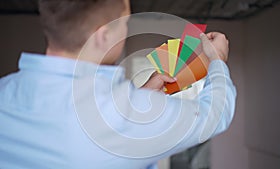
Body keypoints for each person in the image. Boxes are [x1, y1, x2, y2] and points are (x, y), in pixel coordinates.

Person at [0, 0, 236, 169]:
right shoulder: (122, 117)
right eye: (125, 24)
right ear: (103, 35)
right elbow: (214, 115)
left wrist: (141, 95)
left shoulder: (4, 91)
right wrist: (217, 59)